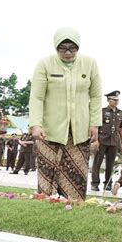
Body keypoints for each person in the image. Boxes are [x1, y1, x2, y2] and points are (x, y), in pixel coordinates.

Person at [29, 27, 102, 200]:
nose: (68, 53)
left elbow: (96, 96)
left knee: (76, 174)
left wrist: (94, 124)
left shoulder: (90, 63)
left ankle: (74, 206)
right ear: (56, 47)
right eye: (63, 48)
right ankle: (46, 205)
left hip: (79, 131)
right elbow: (37, 97)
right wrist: (35, 124)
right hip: (49, 131)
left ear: (78, 46)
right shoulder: (45, 64)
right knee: (48, 173)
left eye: (72, 48)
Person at [91, 90, 122, 191]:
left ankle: (108, 184)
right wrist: (96, 140)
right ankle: (95, 183)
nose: (116, 101)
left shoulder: (121, 113)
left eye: (117, 100)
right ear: (108, 100)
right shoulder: (102, 112)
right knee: (97, 163)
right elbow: (96, 126)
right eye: (113, 99)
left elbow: (121, 129)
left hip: (113, 142)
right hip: (101, 140)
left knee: (110, 165)